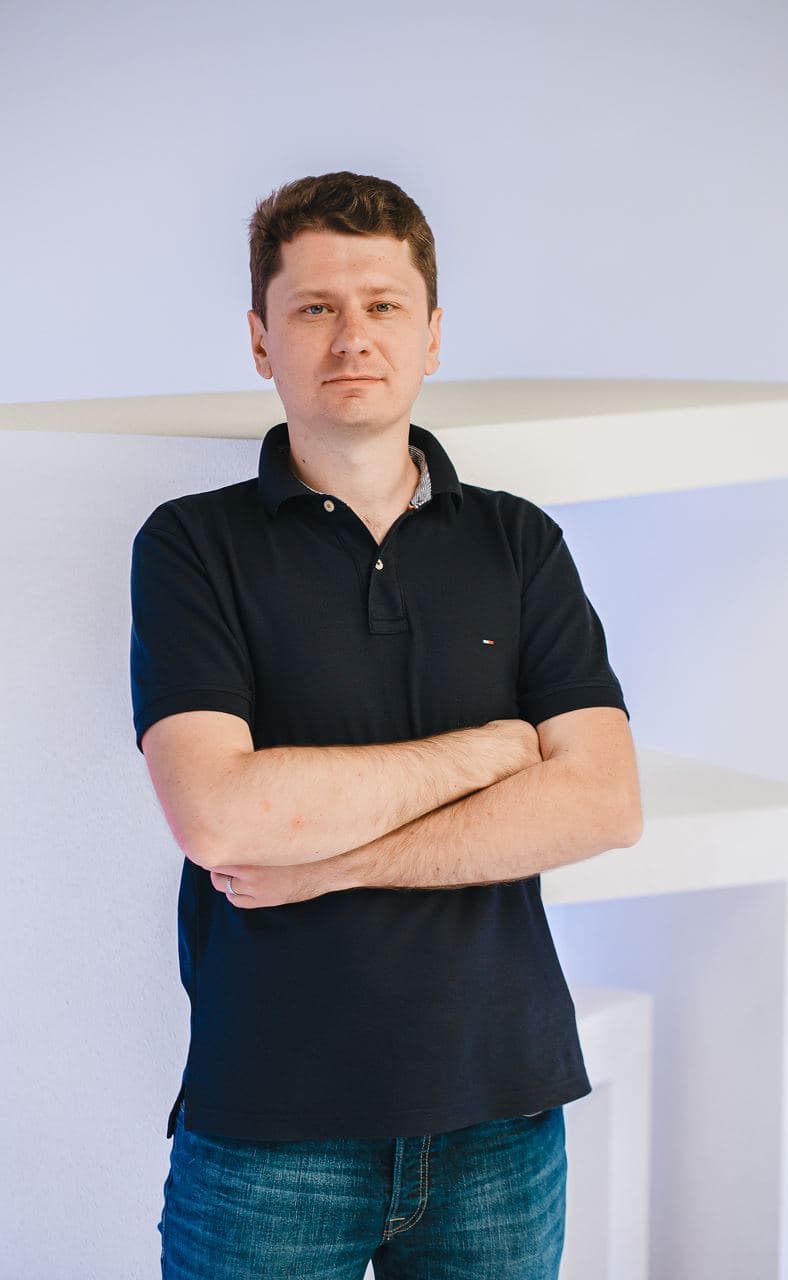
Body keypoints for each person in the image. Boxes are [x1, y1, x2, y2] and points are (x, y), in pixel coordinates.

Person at [130, 170, 643, 1280]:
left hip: (501, 1116)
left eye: (383, 304)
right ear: (261, 340)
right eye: (314, 306)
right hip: (270, 1126)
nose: (352, 335)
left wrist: (331, 861)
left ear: (431, 335)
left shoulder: (518, 543)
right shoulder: (190, 546)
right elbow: (220, 815)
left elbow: (602, 801)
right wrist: (489, 752)